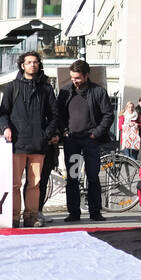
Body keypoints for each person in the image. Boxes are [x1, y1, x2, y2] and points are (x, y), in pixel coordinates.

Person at [0, 51, 59, 228]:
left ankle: (31, 217)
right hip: (17, 143)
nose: (33, 65)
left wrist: (45, 134)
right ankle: (14, 217)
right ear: (22, 65)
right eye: (29, 62)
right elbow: (3, 113)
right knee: (15, 184)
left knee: (35, 184)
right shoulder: (12, 87)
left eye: (35, 62)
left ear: (39, 65)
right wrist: (6, 127)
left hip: (38, 144)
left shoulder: (46, 89)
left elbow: (54, 115)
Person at [56, 59, 114, 222]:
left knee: (93, 176)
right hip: (72, 140)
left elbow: (108, 115)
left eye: (78, 78)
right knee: (73, 177)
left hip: (90, 141)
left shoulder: (98, 92)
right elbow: (59, 115)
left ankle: (95, 211)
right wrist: (65, 132)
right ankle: (74, 212)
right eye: (73, 77)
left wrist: (96, 133)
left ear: (86, 76)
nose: (75, 81)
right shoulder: (66, 92)